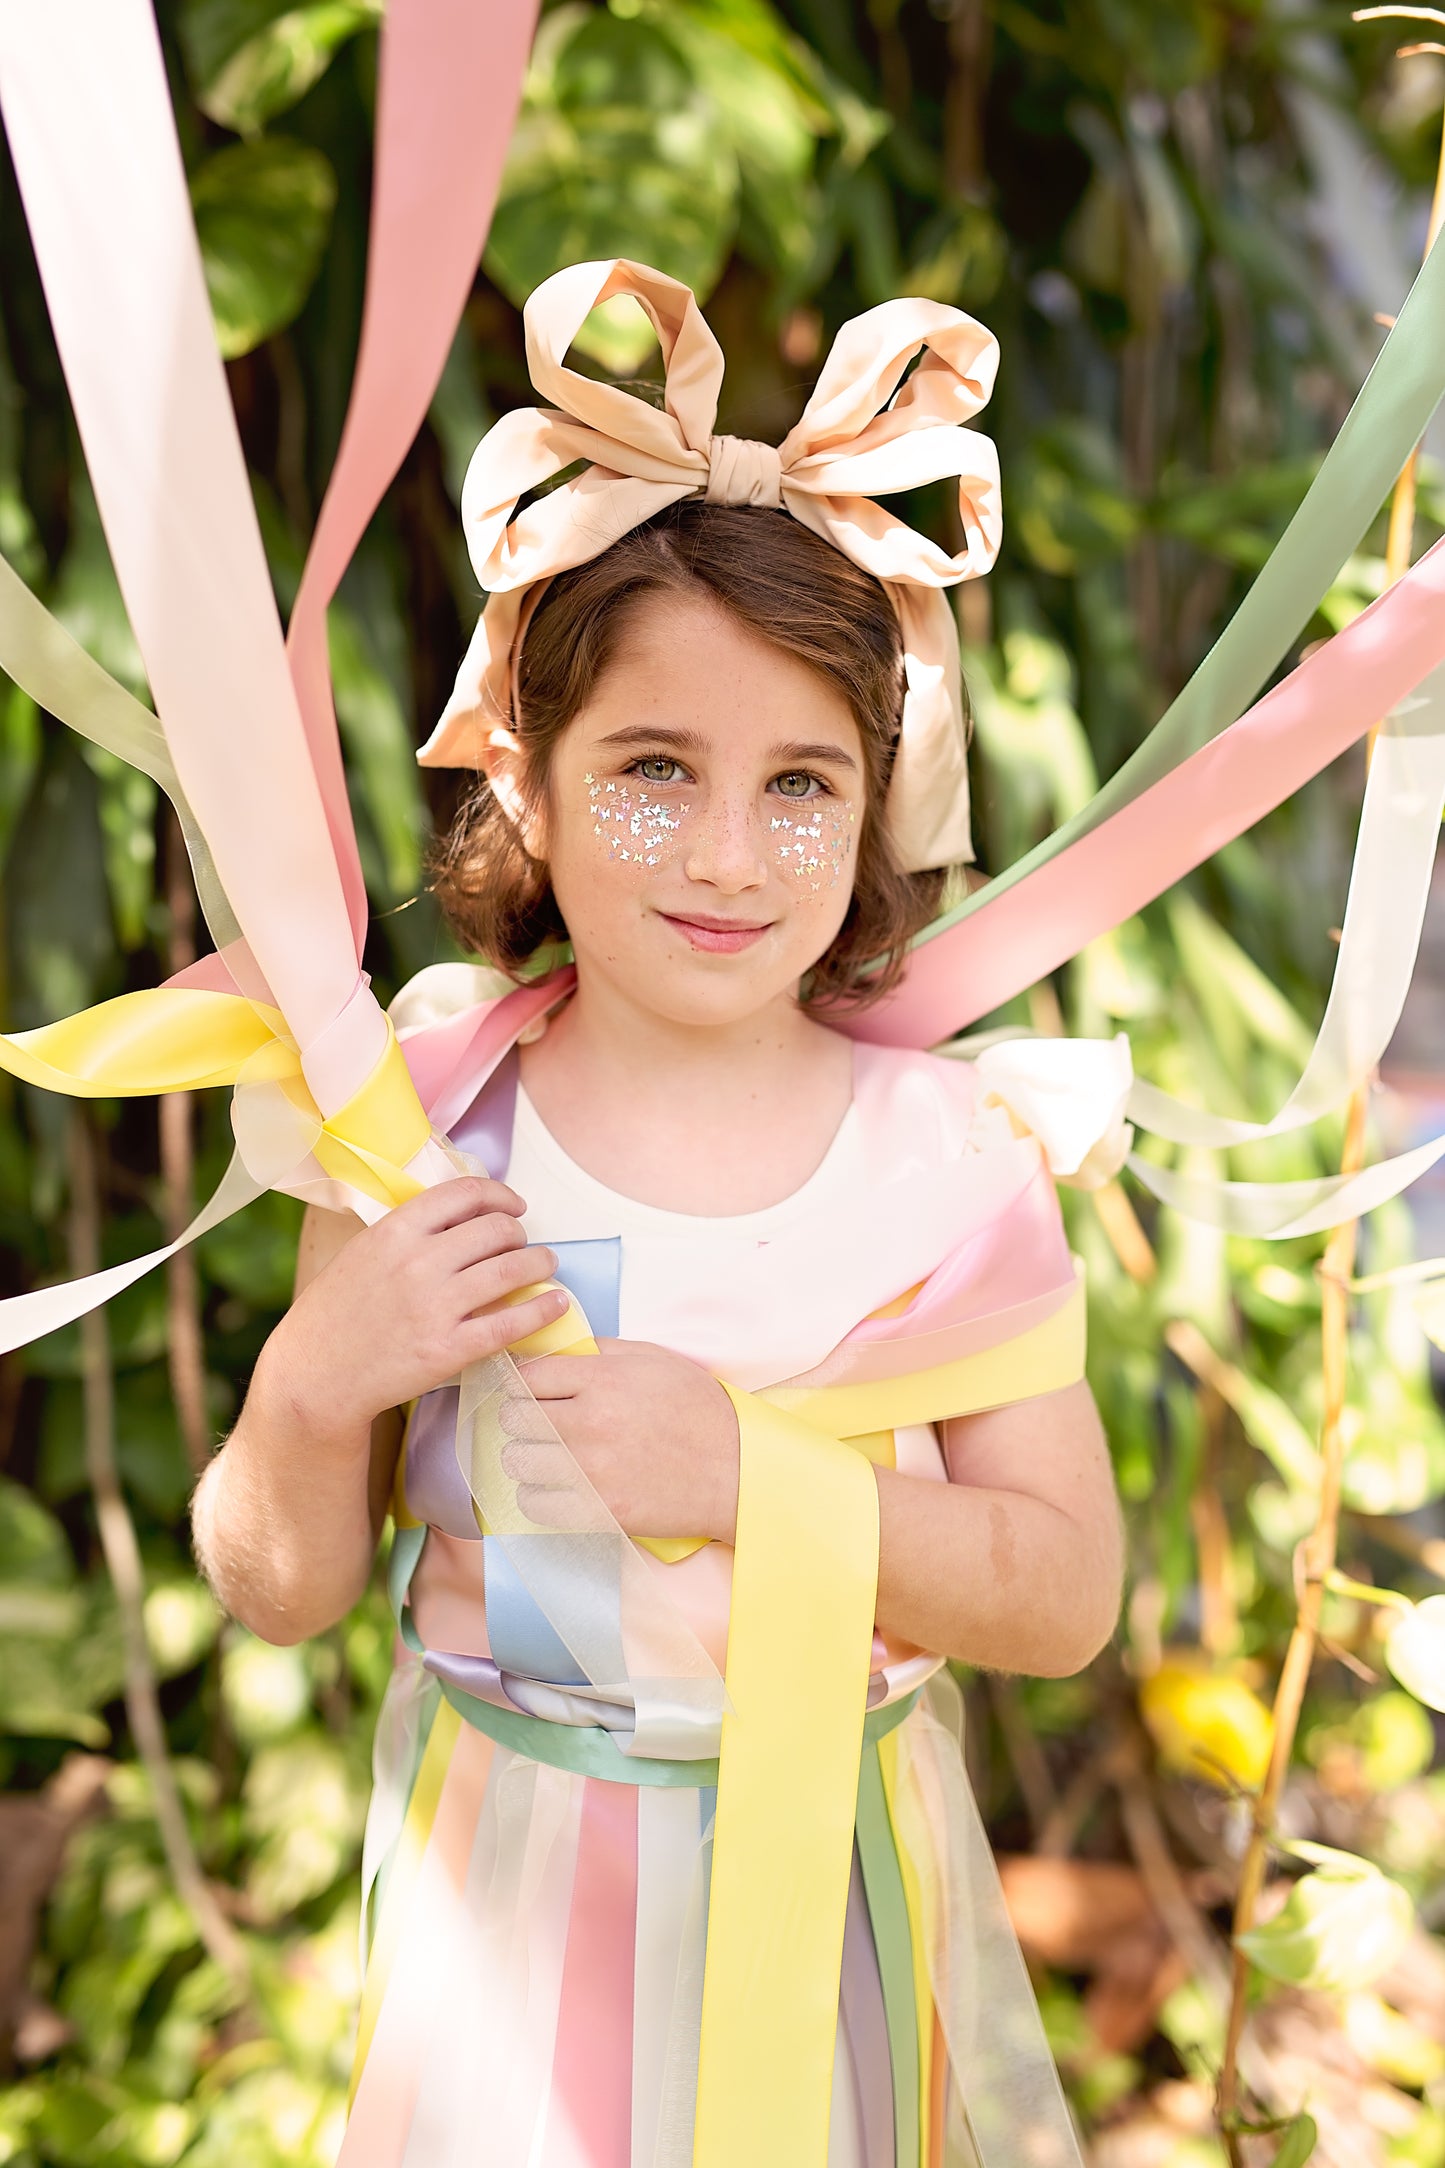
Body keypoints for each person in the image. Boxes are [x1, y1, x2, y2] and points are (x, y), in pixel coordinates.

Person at [192, 261, 1124, 2168]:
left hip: (839, 1897)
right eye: (648, 773)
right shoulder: (419, 1132)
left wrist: (747, 1474)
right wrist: (308, 1389)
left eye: (800, 783)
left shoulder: (945, 1163)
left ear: (877, 803)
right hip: (517, 1907)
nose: (724, 851)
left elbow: (1065, 1594)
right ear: (523, 783)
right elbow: (279, 1594)